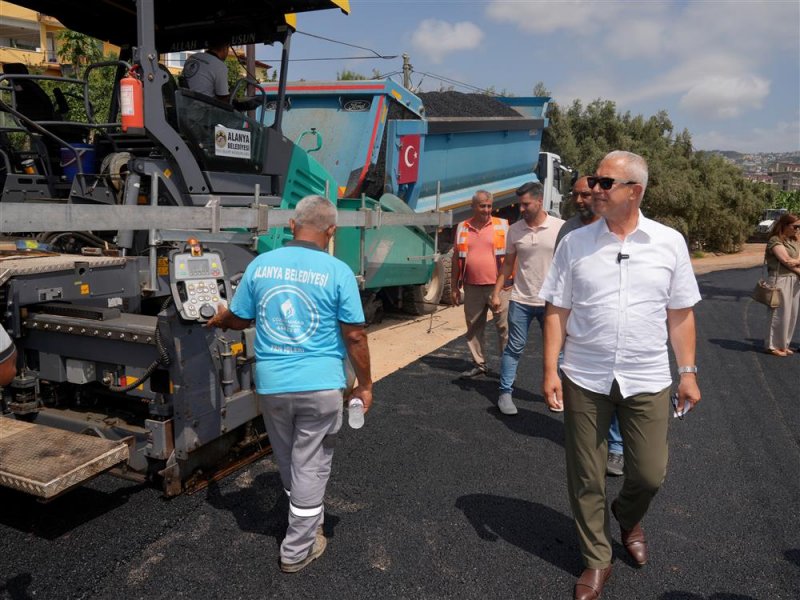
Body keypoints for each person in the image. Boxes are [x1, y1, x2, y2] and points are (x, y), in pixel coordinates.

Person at [540, 151, 702, 600]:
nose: (594, 189)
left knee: (649, 473)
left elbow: (681, 314)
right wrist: (550, 368)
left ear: (636, 190)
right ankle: (596, 558)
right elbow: (557, 310)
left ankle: (628, 515)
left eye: (604, 182)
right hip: (584, 375)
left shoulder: (669, 242)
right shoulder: (576, 243)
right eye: (594, 180)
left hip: (647, 376)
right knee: (586, 473)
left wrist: (687, 372)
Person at [206, 195, 372, 573]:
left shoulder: (261, 265)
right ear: (331, 231)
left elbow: (239, 319)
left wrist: (219, 317)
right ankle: (298, 548)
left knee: (288, 461)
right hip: (320, 385)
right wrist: (365, 385)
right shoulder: (338, 272)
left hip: (273, 385)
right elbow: (356, 337)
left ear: (293, 225)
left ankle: (304, 521)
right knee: (311, 466)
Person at [555, 176, 625, 478]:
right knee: (581, 387)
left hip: (609, 327)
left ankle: (618, 448)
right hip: (574, 325)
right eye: (576, 196)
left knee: (614, 386)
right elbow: (557, 282)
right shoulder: (567, 231)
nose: (581, 200)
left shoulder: (619, 229)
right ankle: (591, 443)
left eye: (585, 194)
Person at [490, 181, 563, 415]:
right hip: (521, 300)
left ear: (540, 201)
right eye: (520, 204)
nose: (521, 208)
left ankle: (556, 394)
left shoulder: (560, 228)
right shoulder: (515, 230)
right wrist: (496, 291)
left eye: (526, 204)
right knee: (514, 347)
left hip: (551, 303)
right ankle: (505, 393)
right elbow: (508, 264)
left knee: (557, 352)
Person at [451, 190, 510, 378]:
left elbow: (512, 256)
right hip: (472, 286)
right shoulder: (463, 227)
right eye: (482, 206)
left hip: (498, 287)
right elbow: (455, 258)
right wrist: (454, 286)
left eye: (489, 206)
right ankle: (479, 364)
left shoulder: (503, 225)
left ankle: (508, 369)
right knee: (474, 327)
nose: (486, 210)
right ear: (473, 206)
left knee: (504, 328)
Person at [763, 213, 800, 356]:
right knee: (779, 313)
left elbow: (794, 260)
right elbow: (785, 260)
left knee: (791, 314)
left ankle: (784, 344)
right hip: (780, 279)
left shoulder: (794, 240)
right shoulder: (775, 240)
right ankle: (772, 346)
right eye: (795, 226)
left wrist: (796, 261)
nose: (797, 229)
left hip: (794, 279)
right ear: (785, 225)